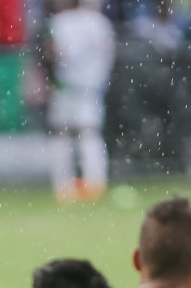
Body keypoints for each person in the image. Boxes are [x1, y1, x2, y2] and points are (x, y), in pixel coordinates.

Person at [45, 0, 114, 203]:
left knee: (62, 135)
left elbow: (53, 53)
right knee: (90, 134)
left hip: (66, 87)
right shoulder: (99, 22)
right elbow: (109, 53)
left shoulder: (59, 22)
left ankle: (63, 187)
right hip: (92, 87)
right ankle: (95, 184)